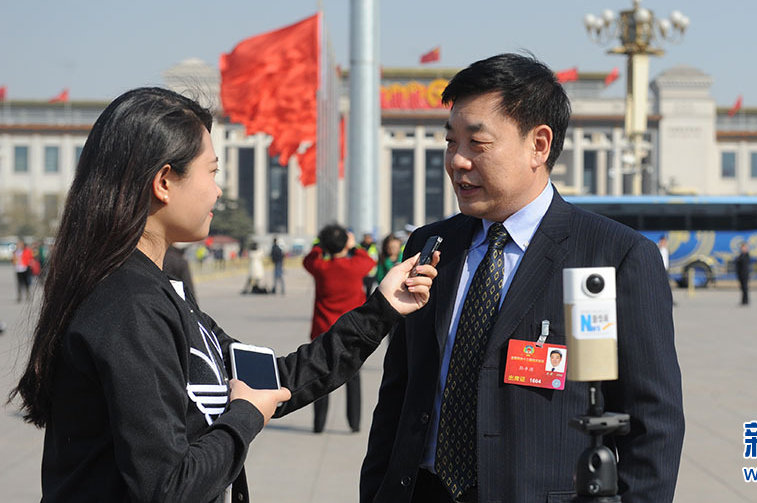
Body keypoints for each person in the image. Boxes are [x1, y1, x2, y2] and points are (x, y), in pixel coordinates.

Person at [6, 87, 438, 503]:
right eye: (211, 172)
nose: (217, 189)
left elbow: (273, 380)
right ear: (163, 182)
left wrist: (381, 310)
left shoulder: (159, 293)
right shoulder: (128, 308)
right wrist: (244, 416)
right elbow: (169, 488)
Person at [360, 54, 683, 503]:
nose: (457, 161)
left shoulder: (614, 257)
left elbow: (653, 423)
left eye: (477, 143)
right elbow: (398, 395)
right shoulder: (431, 245)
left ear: (539, 145)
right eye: (451, 142)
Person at [303, 224, 377, 433]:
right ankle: (354, 423)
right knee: (353, 378)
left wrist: (320, 245)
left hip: (323, 330)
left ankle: (319, 424)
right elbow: (369, 260)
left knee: (320, 378)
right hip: (352, 331)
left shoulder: (320, 267)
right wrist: (353, 245)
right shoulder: (355, 266)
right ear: (346, 243)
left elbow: (308, 259)